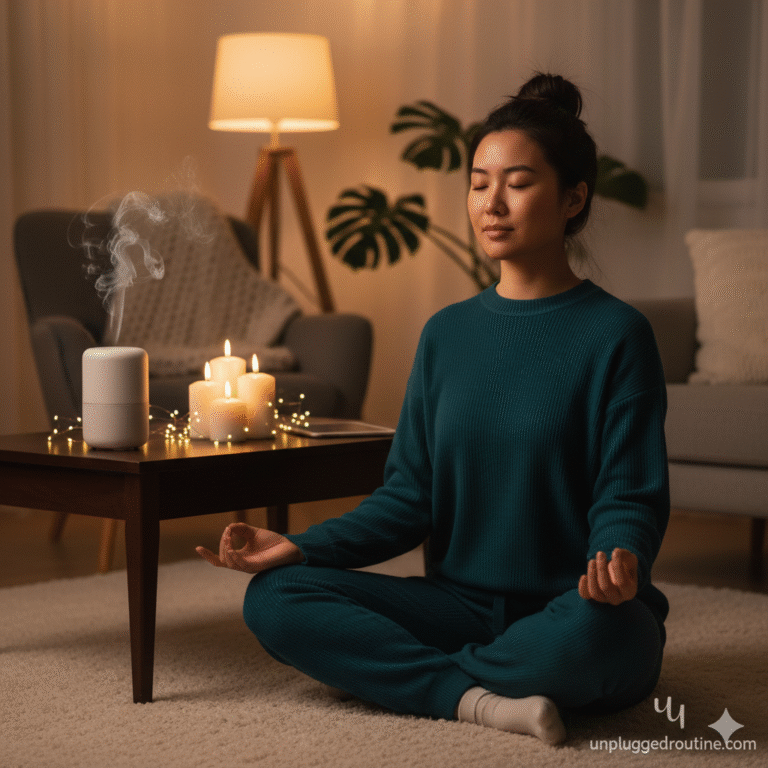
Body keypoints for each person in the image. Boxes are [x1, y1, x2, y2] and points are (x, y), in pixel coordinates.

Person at [197, 73, 670, 746]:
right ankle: (479, 699)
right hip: (458, 606)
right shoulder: (447, 333)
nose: (492, 204)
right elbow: (407, 498)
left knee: (608, 641)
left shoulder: (617, 335)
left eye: (518, 182)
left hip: (576, 608)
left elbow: (630, 494)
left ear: (573, 198)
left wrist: (618, 563)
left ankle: (409, 678)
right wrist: (301, 545)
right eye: (479, 183)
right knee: (277, 598)